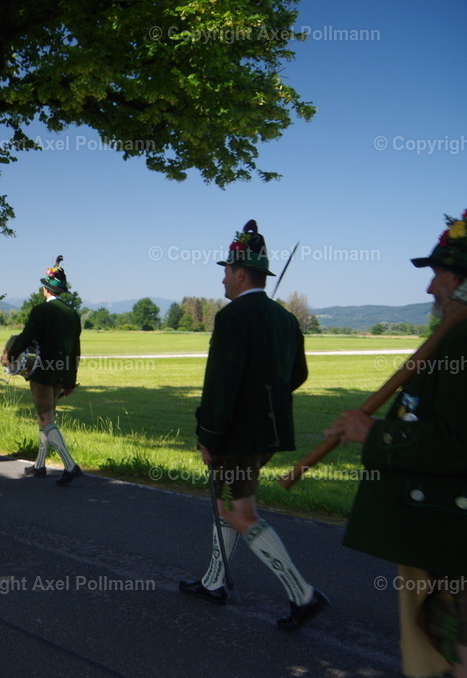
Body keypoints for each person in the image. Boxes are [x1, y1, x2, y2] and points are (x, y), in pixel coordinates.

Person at [328, 210, 467, 677]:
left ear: (463, 281)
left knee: (450, 654)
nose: (431, 289)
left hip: (449, 534)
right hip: (441, 530)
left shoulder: (465, 337)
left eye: (438, 275)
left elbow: (457, 442)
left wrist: (374, 432)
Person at [179, 220, 327, 630]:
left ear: (242, 273)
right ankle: (213, 581)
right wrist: (268, 395)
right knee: (229, 503)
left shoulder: (232, 318)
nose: (222, 277)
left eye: (226, 270)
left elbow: (220, 385)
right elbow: (296, 375)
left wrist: (208, 435)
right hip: (268, 433)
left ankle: (303, 594)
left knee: (237, 509)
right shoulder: (285, 319)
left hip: (237, 435)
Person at [1, 256, 83, 486]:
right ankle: (39, 465)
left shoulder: (40, 311)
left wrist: (10, 356)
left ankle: (70, 465)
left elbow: (25, 337)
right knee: (45, 418)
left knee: (46, 419)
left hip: (41, 372)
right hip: (61, 374)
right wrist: (70, 381)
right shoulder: (73, 314)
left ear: (46, 289)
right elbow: (75, 350)